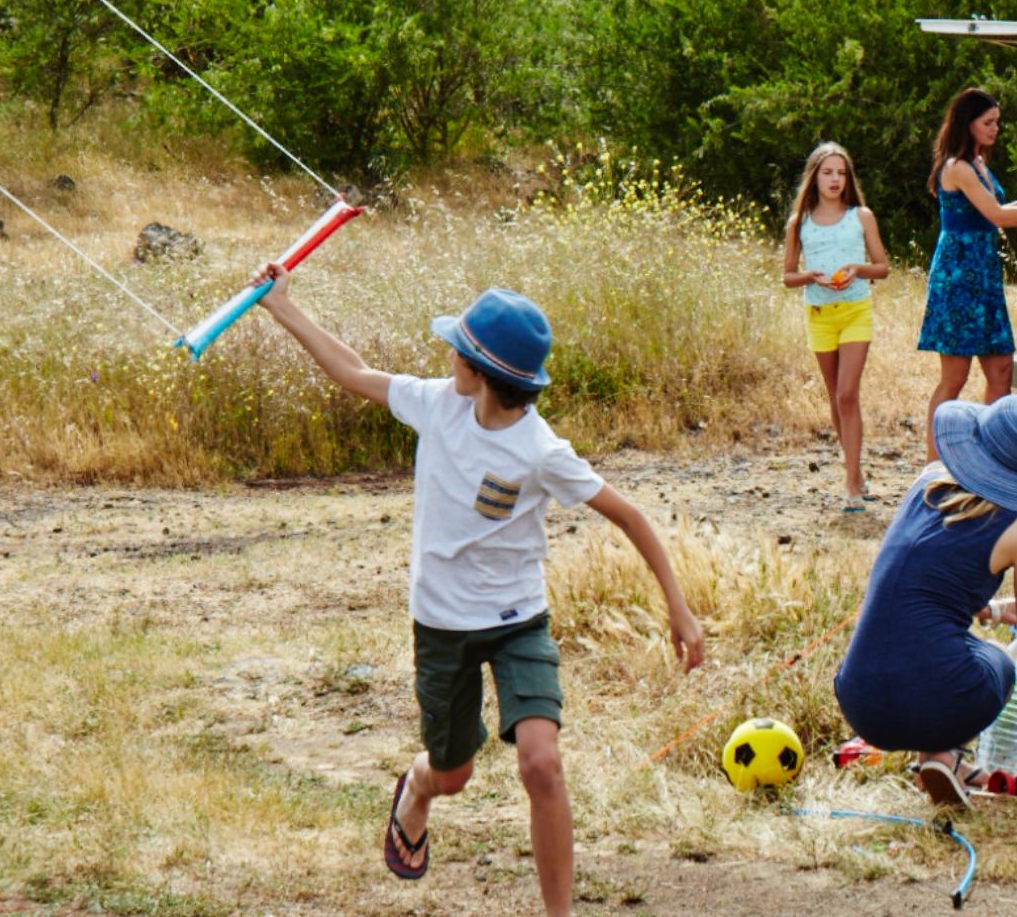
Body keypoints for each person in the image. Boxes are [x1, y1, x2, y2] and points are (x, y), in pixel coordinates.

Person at [254, 269, 706, 917]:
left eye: (456, 350)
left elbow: (631, 516)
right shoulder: (437, 404)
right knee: (454, 774)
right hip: (441, 623)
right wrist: (281, 307)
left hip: (520, 619)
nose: (447, 359)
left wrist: (679, 609)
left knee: (541, 764)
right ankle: (418, 784)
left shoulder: (541, 450)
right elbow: (351, 372)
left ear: (483, 372)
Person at [832, 394, 1017, 809]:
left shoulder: (925, 483)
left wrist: (995, 609)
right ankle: (944, 754)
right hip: (941, 702)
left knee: (940, 648)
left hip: (860, 702)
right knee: (995, 656)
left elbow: (923, 585)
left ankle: (940, 763)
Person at [916, 88, 1017, 453]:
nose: (995, 129)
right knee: (954, 377)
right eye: (988, 123)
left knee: (1001, 369)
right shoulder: (957, 167)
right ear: (967, 124)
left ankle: (988, 457)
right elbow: (998, 217)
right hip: (959, 275)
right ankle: (934, 461)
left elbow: (992, 210)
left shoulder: (978, 164)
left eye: (996, 122)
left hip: (984, 275)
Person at [780, 142, 892, 511]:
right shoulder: (799, 223)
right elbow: (787, 276)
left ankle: (851, 484)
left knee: (847, 394)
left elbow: (883, 267)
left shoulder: (861, 216)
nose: (835, 179)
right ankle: (856, 471)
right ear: (814, 177)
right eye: (827, 172)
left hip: (855, 310)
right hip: (819, 315)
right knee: (835, 398)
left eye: (841, 173)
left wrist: (857, 269)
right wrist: (811, 276)